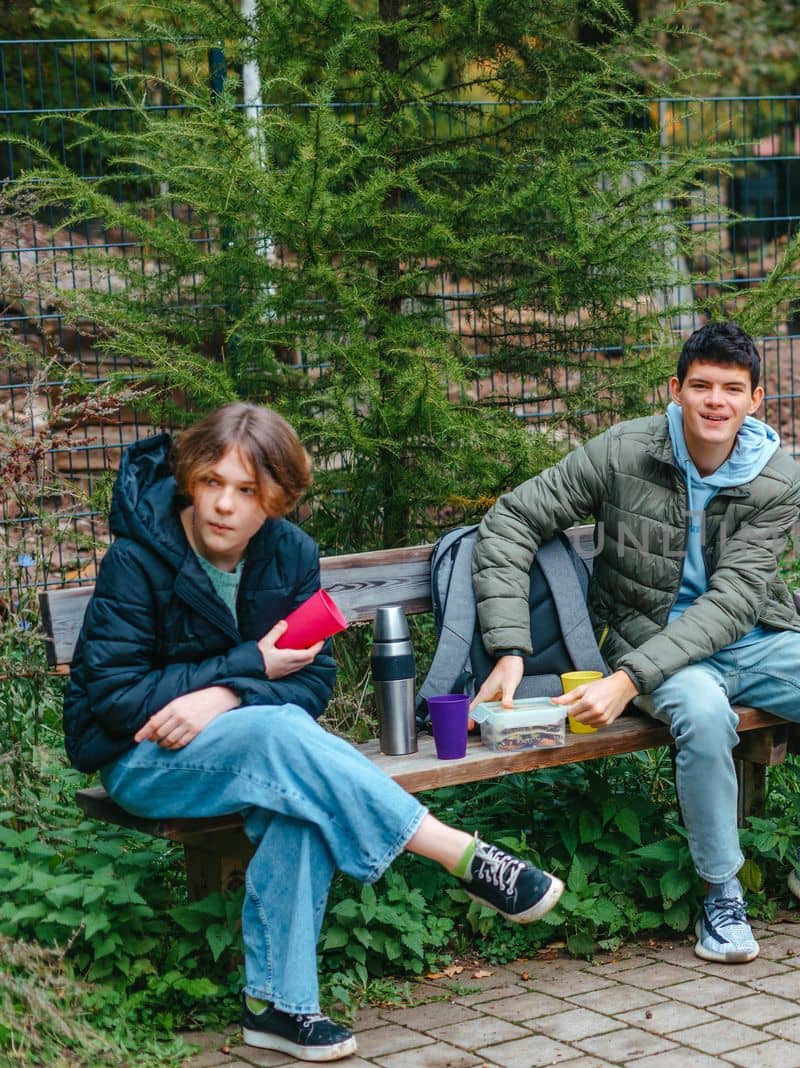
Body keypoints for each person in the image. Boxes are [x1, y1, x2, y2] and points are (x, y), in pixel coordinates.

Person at [63, 403, 563, 1064]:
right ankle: (460, 854)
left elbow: (311, 680)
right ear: (191, 478)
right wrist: (246, 667)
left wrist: (221, 694)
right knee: (279, 735)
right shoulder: (140, 556)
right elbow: (116, 696)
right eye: (213, 482)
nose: (224, 505)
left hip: (256, 749)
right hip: (144, 758)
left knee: (297, 794)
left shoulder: (289, 553)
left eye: (247, 491)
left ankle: (279, 1007)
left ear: (277, 498)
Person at [469, 321, 800, 964]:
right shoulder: (624, 451)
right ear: (675, 390)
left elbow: (735, 601)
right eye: (701, 385)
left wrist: (625, 682)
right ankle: (720, 891)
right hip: (649, 636)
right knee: (705, 718)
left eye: (732, 389)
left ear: (755, 399)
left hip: (753, 636)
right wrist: (509, 646)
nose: (716, 401)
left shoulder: (775, 477)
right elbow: (513, 517)